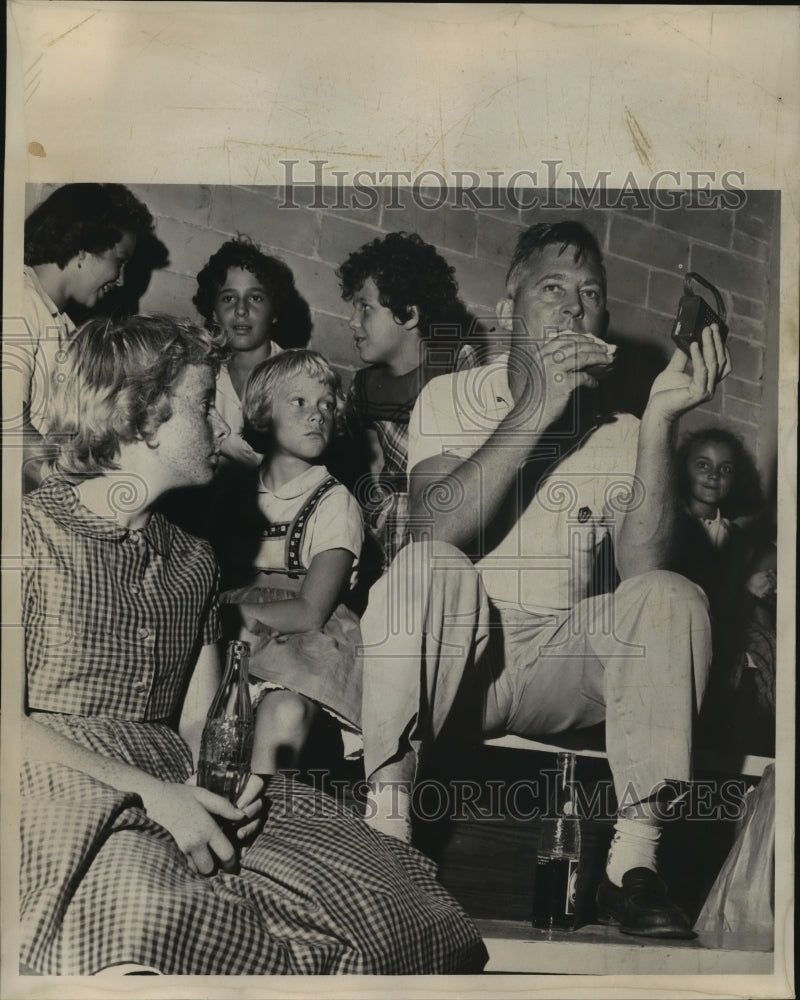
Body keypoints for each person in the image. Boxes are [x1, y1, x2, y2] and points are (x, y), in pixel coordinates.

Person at [20, 314, 486, 975]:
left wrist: (219, 790)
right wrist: (153, 797)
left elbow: (196, 723)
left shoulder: (193, 561)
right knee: (149, 914)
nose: (222, 428)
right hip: (54, 784)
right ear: (141, 415)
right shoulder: (29, 537)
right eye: (205, 405)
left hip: (170, 776)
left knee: (401, 899)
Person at [356, 220, 731, 940]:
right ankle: (389, 834)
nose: (572, 307)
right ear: (507, 310)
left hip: (557, 667)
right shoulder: (450, 397)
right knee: (426, 567)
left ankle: (633, 867)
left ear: (605, 322)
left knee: (676, 596)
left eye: (589, 295)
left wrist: (657, 423)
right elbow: (433, 531)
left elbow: (646, 580)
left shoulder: (619, 430)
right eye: (552, 288)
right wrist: (540, 404)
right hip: (457, 657)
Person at [220, 350, 365, 775]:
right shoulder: (233, 493)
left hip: (297, 641)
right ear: (263, 412)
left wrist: (227, 616)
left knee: (283, 714)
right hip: (235, 631)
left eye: (326, 405)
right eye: (299, 402)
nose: (317, 414)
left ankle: (266, 818)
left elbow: (311, 610)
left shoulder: (334, 502)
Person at [338, 232, 477, 573]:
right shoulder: (364, 387)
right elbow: (355, 471)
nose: (352, 321)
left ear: (409, 315)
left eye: (365, 308)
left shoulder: (459, 365)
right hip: (384, 540)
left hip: (446, 536)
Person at [20, 183, 154, 489]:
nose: (121, 281)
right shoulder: (19, 300)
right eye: (119, 262)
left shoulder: (61, 323)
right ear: (83, 248)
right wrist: (66, 494)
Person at [675, 427, 775, 754]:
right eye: (702, 465)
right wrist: (745, 590)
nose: (713, 476)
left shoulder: (737, 537)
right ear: (682, 467)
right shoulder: (670, 525)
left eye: (725, 469)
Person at [193, 236, 310, 470]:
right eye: (228, 298)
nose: (241, 310)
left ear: (275, 311)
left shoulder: (303, 378)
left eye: (255, 298)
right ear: (213, 312)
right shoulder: (194, 370)